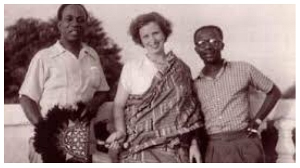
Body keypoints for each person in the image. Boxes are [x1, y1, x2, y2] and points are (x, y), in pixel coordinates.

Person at [105, 12, 203, 163]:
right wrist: (121, 131)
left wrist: (194, 144)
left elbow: (191, 114)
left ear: (164, 33)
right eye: (146, 36)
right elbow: (118, 104)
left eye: (156, 33)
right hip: (139, 148)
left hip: (176, 149)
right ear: (140, 40)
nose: (152, 40)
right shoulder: (132, 68)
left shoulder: (182, 69)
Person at [19, 4, 109, 162]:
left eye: (81, 20)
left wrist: (93, 104)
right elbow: (26, 98)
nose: (75, 23)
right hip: (49, 141)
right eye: (69, 19)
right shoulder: (44, 57)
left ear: (86, 25)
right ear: (59, 25)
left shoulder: (92, 55)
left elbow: (103, 91)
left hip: (82, 139)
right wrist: (45, 131)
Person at [193, 25, 281, 163]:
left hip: (246, 143)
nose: (208, 47)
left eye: (213, 41)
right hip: (215, 147)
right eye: (202, 43)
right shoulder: (195, 84)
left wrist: (257, 121)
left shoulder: (243, 69)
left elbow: (274, 92)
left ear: (222, 45)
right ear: (196, 49)